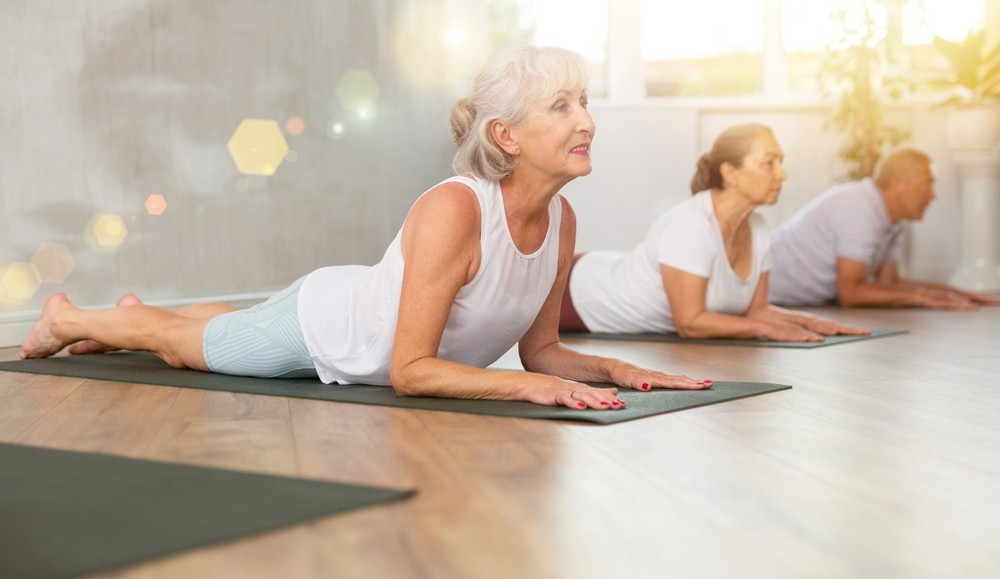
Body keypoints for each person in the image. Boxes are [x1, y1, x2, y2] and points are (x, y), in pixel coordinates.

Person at [19, 45, 712, 411]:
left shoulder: (561, 219)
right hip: (326, 328)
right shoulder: (455, 209)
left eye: (583, 102)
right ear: (506, 134)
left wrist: (617, 367)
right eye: (561, 106)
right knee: (183, 345)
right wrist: (526, 390)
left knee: (221, 331)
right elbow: (410, 371)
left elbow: (542, 352)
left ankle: (140, 317)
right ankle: (67, 316)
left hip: (348, 299)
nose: (586, 120)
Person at [560, 123, 866, 342]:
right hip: (574, 293)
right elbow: (691, 323)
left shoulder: (757, 228)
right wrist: (767, 330)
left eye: (781, 163)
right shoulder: (691, 225)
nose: (782, 174)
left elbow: (756, 310)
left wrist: (810, 321)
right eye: (768, 164)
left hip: (598, 273)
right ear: (730, 173)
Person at [768, 148, 1000, 310]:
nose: (933, 195)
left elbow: (887, 284)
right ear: (896, 185)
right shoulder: (860, 206)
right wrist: (922, 297)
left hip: (799, 302)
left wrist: (950, 292)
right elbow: (851, 293)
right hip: (767, 297)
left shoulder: (893, 219)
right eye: (926, 184)